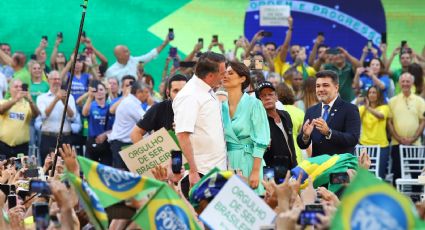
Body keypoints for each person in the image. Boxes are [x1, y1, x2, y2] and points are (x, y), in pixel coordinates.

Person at [173, 52, 227, 197]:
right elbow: (183, 135)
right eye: (222, 73)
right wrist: (193, 171)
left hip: (216, 169)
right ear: (210, 76)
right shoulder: (189, 96)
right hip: (202, 172)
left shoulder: (208, 90)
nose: (224, 77)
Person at [222, 61, 270, 194]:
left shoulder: (254, 104)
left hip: (250, 160)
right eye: (224, 72)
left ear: (242, 79)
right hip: (227, 162)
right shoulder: (220, 106)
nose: (225, 75)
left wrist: (255, 172)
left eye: (230, 73)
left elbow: (262, 139)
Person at [297, 70, 361, 157]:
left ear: (336, 88)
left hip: (340, 166)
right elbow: (302, 145)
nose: (321, 89)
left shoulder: (350, 109)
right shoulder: (311, 111)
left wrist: (329, 133)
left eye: (325, 85)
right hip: (318, 166)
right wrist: (305, 136)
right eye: (318, 86)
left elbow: (353, 139)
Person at [387, 73, 425, 185]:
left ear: (412, 83)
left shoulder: (420, 101)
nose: (405, 84)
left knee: (418, 173)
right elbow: (389, 122)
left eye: (408, 81)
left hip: (415, 144)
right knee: (396, 171)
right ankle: (397, 199)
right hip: (396, 143)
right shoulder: (392, 101)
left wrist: (412, 139)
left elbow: (423, 121)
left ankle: (418, 198)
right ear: (399, 83)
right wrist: (399, 138)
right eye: (403, 81)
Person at [130, 74, 188, 143]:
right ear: (168, 93)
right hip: (169, 153)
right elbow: (135, 133)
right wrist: (149, 153)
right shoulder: (159, 108)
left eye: (184, 90)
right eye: (176, 91)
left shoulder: (199, 108)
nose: (180, 95)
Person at [37, 71, 76, 162]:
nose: (57, 81)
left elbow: (72, 117)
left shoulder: (69, 97)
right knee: (48, 168)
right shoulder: (42, 98)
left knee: (66, 170)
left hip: (65, 138)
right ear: (48, 81)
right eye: (54, 79)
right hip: (48, 138)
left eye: (59, 79)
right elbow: (43, 115)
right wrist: (56, 99)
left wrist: (64, 101)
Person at [256, 81, 296, 171]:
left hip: (291, 168)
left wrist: (295, 165)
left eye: (270, 94)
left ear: (276, 97)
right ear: (258, 100)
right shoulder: (258, 120)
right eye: (263, 96)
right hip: (271, 171)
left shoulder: (285, 115)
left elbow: (291, 143)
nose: (267, 98)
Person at [108, 81, 146, 169]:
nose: (147, 95)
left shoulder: (131, 102)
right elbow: (146, 120)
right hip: (121, 144)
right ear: (138, 92)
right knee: (122, 175)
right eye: (145, 92)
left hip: (124, 144)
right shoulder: (131, 103)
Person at [0, 79, 39, 157]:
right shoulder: (3, 102)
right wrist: (15, 100)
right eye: (16, 87)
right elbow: (1, 110)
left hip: (21, 147)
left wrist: (30, 100)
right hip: (3, 146)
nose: (19, 89)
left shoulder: (28, 105)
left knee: (21, 169)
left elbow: (36, 114)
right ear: (10, 90)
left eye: (21, 87)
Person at [358, 86, 390, 179]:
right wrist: (358, 102)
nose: (371, 94)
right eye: (370, 92)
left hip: (381, 146)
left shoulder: (384, 107)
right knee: (363, 175)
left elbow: (381, 116)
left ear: (379, 95)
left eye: (374, 92)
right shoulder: (363, 108)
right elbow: (354, 119)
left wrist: (367, 107)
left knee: (379, 175)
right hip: (365, 146)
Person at [105, 36, 170, 81]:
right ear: (119, 56)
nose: (129, 53)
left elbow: (150, 55)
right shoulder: (111, 71)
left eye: (128, 50)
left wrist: (165, 42)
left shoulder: (134, 60)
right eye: (126, 52)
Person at [82, 81, 113, 166]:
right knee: (90, 171)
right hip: (92, 141)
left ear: (105, 91)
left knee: (106, 171)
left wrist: (105, 134)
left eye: (101, 89)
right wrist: (89, 97)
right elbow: (84, 113)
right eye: (96, 90)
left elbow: (116, 124)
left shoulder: (110, 106)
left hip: (107, 142)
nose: (99, 92)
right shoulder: (91, 105)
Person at [275, 82, 307, 162]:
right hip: (296, 152)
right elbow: (303, 135)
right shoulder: (299, 112)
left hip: (278, 153)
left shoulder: (274, 111)